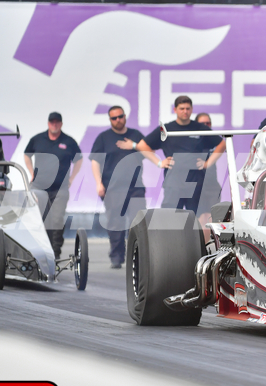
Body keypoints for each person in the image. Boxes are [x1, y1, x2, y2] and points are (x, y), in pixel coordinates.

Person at [119, 96, 224, 227]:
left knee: (197, 219)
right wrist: (159, 162)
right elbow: (142, 145)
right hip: (173, 182)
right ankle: (171, 240)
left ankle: (195, 240)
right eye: (182, 108)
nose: (185, 111)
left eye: (188, 108)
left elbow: (222, 144)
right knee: (170, 218)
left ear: (192, 110)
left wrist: (208, 163)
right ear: (175, 110)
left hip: (195, 182)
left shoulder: (200, 127)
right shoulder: (166, 129)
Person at [90, 106, 147, 269]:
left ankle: (138, 256)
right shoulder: (103, 138)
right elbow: (95, 161)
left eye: (120, 116)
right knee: (115, 223)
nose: (118, 120)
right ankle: (116, 256)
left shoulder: (135, 135)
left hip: (135, 187)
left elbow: (149, 151)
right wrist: (98, 183)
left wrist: (134, 145)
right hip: (112, 188)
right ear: (110, 120)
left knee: (138, 222)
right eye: (114, 118)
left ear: (125, 116)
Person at [23, 112, 83, 259]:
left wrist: (72, 178)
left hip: (60, 188)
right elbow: (27, 154)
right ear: (48, 123)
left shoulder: (68, 141)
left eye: (57, 122)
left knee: (56, 221)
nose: (54, 124)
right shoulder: (37, 139)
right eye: (52, 122)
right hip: (39, 187)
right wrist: (31, 172)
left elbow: (79, 159)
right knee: (37, 219)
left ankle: (54, 254)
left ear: (61, 124)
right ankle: (36, 252)